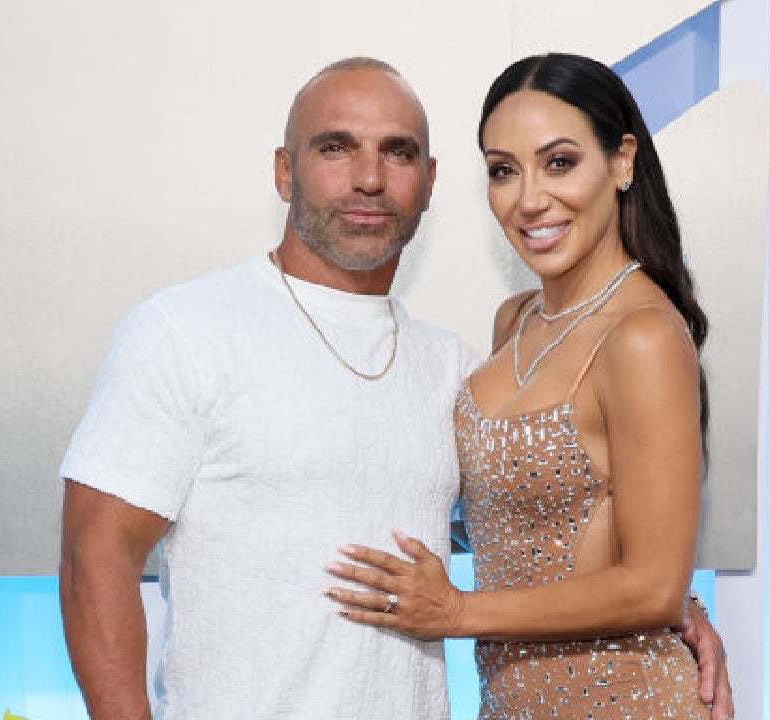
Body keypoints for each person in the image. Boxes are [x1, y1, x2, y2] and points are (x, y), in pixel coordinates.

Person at [58, 56, 732, 720]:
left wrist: (667, 602)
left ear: (430, 181)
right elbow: (95, 556)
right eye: (335, 147)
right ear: (284, 171)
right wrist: (658, 595)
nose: (369, 178)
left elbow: (556, 514)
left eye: (398, 153)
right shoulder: (185, 330)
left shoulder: (452, 365)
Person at [326, 53, 724, 719]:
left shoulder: (643, 336)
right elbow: (525, 512)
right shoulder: (515, 321)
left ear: (622, 162)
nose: (530, 198)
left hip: (625, 702)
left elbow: (653, 586)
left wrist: (456, 611)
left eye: (559, 162)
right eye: (504, 170)